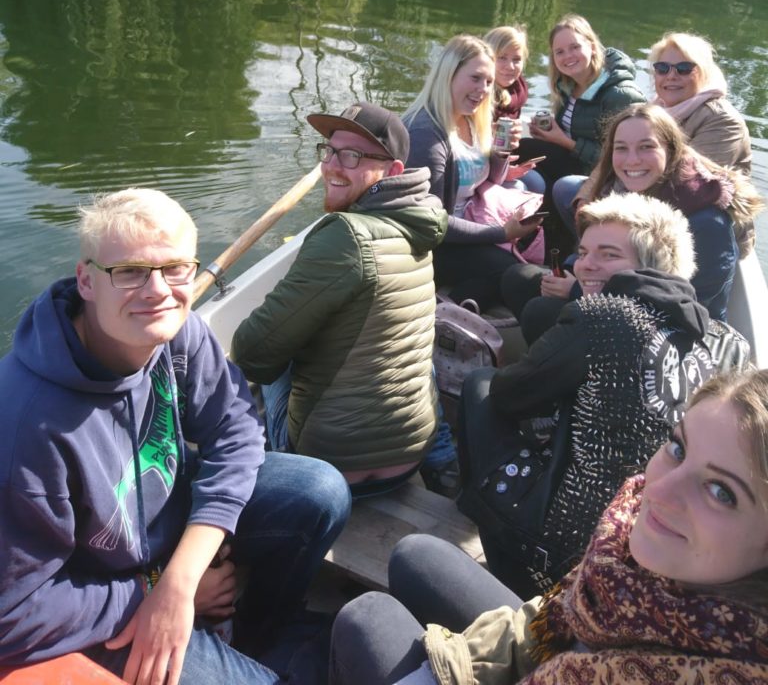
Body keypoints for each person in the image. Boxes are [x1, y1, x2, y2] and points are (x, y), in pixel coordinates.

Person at [0, 188, 351, 685]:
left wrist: (182, 576)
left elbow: (235, 428)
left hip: (166, 544)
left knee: (319, 492)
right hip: (101, 590)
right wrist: (150, 591)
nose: (157, 290)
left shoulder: (174, 328)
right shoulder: (24, 427)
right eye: (130, 271)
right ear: (86, 280)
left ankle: (263, 635)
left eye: (175, 269)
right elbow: (13, 612)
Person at [330, 366, 768, 685]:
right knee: (416, 555)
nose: (660, 491)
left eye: (721, 491)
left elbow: (511, 386)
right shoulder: (626, 557)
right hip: (555, 648)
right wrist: (456, 663)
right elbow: (553, 617)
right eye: (677, 447)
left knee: (367, 618)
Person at [463, 192, 748, 595]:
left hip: (562, 551)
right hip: (655, 550)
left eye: (609, 255)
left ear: (652, 266)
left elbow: (510, 394)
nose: (585, 265)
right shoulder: (723, 340)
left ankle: (484, 524)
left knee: (482, 385)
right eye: (583, 252)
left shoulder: (607, 315)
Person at [232, 101, 448, 497]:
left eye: (352, 156)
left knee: (262, 355)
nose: (332, 165)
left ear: (393, 170)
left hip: (330, 467)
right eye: (329, 151)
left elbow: (252, 353)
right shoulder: (420, 221)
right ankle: (444, 457)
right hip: (409, 458)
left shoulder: (344, 234)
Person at [545, 103, 760, 320]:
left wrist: (576, 291)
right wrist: (571, 269)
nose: (632, 160)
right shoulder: (616, 191)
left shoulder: (706, 222)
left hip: (674, 334)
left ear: (671, 149)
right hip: (621, 301)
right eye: (621, 148)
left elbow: (688, 307)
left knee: (540, 311)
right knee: (527, 283)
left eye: (646, 147)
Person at [402, 35, 542, 312]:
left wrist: (501, 153)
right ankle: (444, 314)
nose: (483, 89)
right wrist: (501, 233)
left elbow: (486, 182)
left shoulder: (470, 118)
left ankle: (456, 307)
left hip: (470, 220)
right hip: (433, 245)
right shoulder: (425, 135)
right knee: (513, 275)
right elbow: (434, 225)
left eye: (489, 82)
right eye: (475, 78)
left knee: (517, 272)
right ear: (448, 75)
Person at [517, 14, 645, 193]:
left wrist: (565, 141)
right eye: (559, 52)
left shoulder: (621, 95)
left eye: (575, 47)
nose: (567, 56)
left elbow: (623, 157)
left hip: (604, 176)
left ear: (592, 47)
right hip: (575, 161)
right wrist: (549, 134)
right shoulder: (568, 87)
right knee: (521, 151)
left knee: (526, 156)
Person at [649, 31, 752, 174]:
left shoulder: (723, 120)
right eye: (662, 68)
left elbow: (693, 183)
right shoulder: (652, 110)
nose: (671, 76)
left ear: (704, 74)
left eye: (684, 69)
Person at [484, 25, 544, 196]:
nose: (510, 66)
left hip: (501, 159)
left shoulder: (518, 89)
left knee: (538, 182)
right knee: (529, 185)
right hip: (480, 165)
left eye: (516, 59)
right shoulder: (480, 93)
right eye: (501, 58)